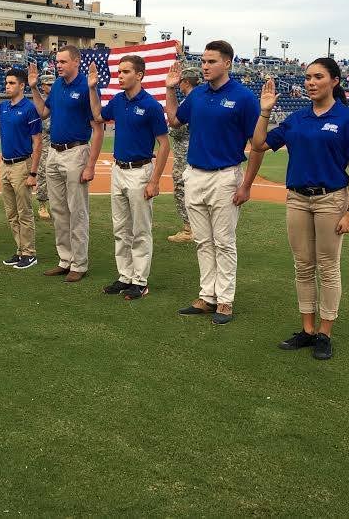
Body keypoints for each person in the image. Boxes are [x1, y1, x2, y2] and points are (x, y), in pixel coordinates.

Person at [251, 58, 349, 360]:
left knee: (328, 267)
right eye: (307, 78)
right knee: (303, 266)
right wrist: (265, 111)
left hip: (331, 199)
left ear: (334, 81)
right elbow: (259, 144)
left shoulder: (348, 119)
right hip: (297, 199)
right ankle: (307, 330)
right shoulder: (296, 119)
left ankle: (325, 333)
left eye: (318, 77)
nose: (311, 83)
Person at [164, 40, 263, 324]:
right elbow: (174, 121)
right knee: (202, 241)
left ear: (227, 63)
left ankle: (225, 301)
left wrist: (246, 185)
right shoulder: (197, 95)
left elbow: (257, 145)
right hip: (195, 174)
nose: (205, 67)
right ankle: (207, 296)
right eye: (203, 61)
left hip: (225, 176)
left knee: (224, 242)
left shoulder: (243, 98)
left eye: (211, 62)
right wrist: (170, 89)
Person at [86, 56, 170, 300]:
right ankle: (125, 276)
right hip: (118, 170)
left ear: (139, 75)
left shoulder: (151, 106)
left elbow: (164, 145)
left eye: (125, 72)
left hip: (140, 172)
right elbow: (98, 116)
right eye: (118, 72)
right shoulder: (117, 100)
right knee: (121, 228)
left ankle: (140, 281)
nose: (120, 76)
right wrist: (92, 88)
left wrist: (154, 181)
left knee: (140, 230)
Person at [29, 46, 104, 282]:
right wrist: (33, 88)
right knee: (58, 210)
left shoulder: (86, 86)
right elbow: (43, 112)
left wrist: (91, 165)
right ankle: (65, 260)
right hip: (54, 152)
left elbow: (98, 128)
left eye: (63, 61)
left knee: (77, 210)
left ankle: (79, 264)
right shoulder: (58, 86)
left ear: (76, 62)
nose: (58, 65)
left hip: (76, 151)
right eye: (57, 61)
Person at [0, 68, 43, 269]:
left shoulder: (29, 109)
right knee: (11, 213)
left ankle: (29, 253)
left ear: (21, 85)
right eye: (6, 82)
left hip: (22, 165)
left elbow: (38, 143)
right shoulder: (2, 107)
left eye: (12, 83)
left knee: (24, 212)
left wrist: (33, 173)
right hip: (5, 165)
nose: (7, 86)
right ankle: (20, 250)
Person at [166, 67, 203, 243]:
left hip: (185, 155)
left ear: (186, 82)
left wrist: (171, 127)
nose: (179, 84)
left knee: (182, 190)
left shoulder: (190, 102)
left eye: (181, 81)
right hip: (197, 154)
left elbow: (177, 130)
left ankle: (190, 229)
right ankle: (198, 228)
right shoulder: (203, 99)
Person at [32, 73, 55, 220]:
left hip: (58, 142)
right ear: (43, 87)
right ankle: (42, 204)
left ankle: (58, 205)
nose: (51, 87)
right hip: (45, 143)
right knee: (43, 174)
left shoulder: (59, 100)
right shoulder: (40, 103)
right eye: (49, 85)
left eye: (53, 84)